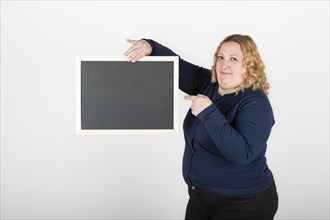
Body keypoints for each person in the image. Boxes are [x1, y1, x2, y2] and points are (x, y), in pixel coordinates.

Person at [124, 34, 279, 220]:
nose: (224, 64)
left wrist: (209, 113)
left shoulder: (255, 103)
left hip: (244, 203)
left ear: (250, 65)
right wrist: (151, 47)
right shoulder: (209, 83)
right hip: (201, 199)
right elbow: (177, 66)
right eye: (220, 57)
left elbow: (243, 154)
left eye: (234, 59)